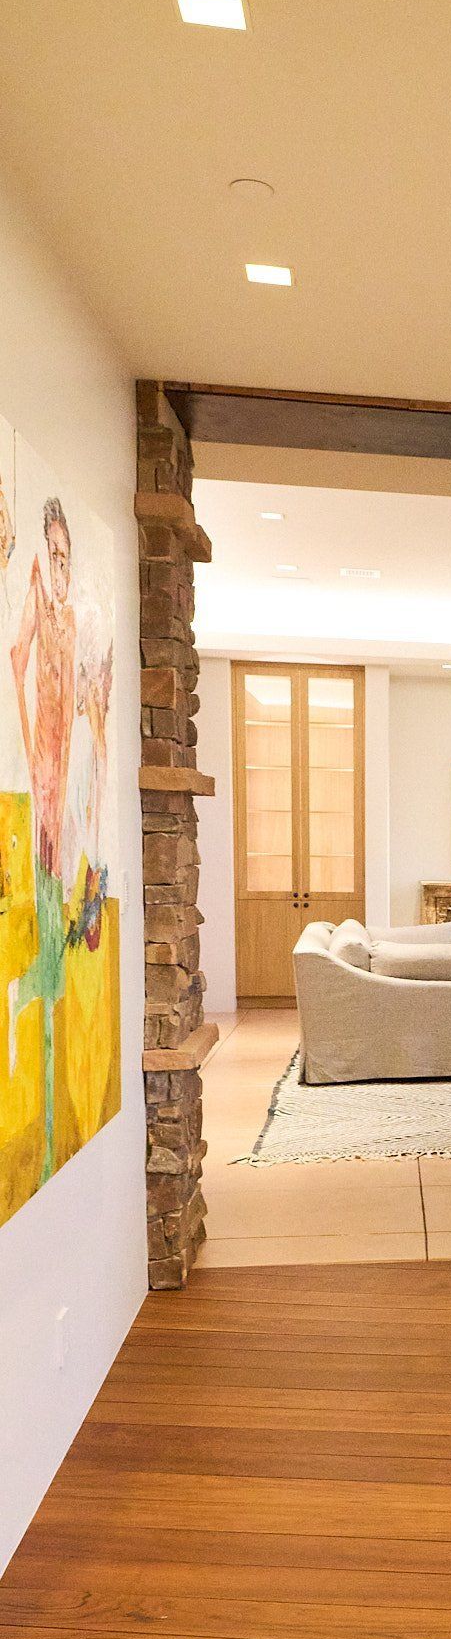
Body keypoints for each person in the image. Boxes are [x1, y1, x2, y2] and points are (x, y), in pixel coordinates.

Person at [10, 496, 77, 1180]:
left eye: (64, 558)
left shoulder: (73, 618)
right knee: (44, 886)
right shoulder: (36, 595)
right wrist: (30, 747)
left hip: (60, 773)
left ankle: (43, 1003)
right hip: (43, 768)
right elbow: (16, 654)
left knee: (58, 889)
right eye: (52, 554)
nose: (58, 568)